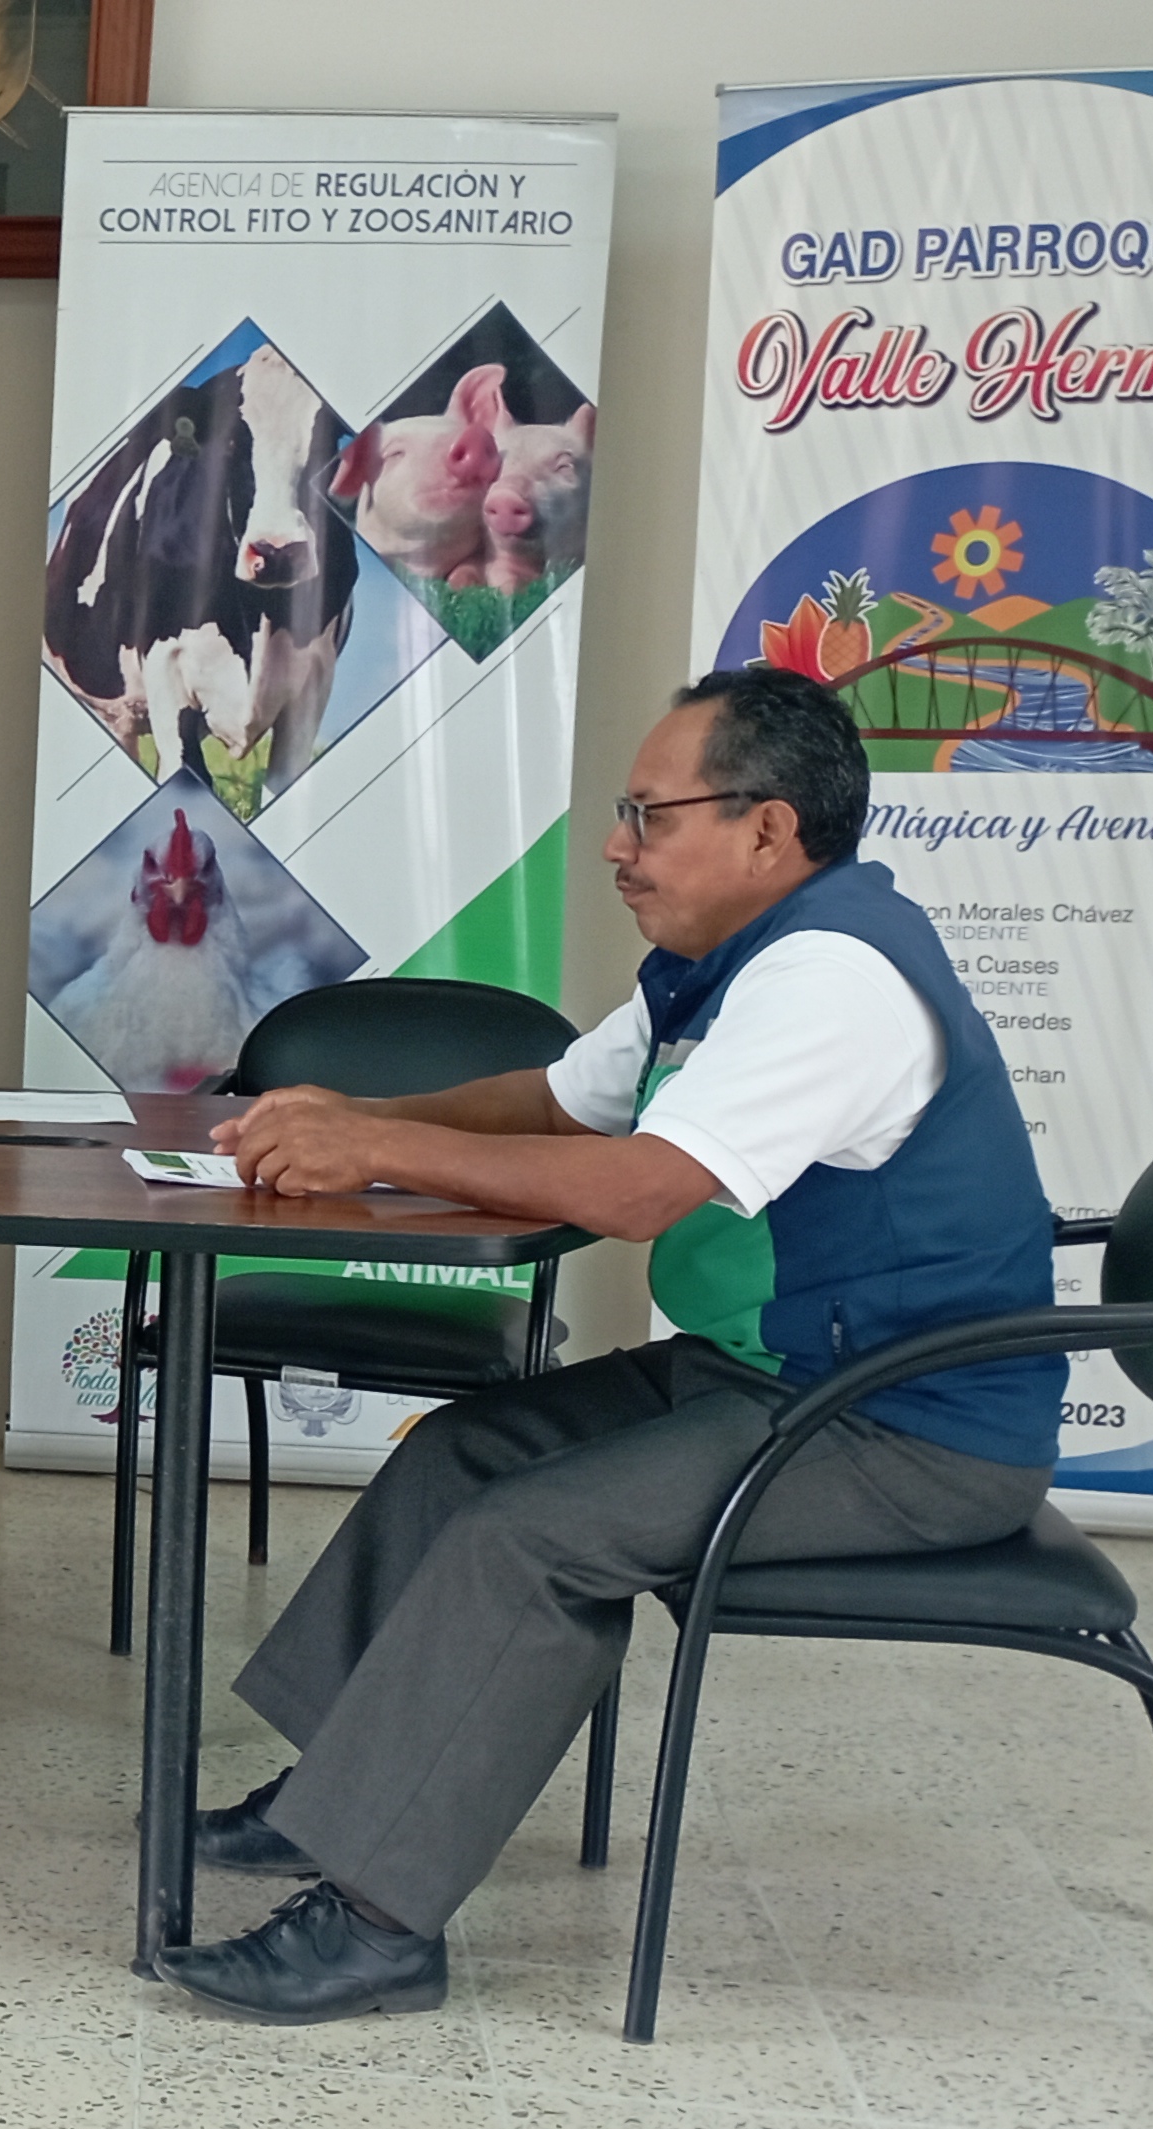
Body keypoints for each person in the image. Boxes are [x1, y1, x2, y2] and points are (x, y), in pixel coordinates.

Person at [166, 668, 1063, 2024]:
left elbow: (640, 1189)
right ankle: (338, 1797)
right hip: (776, 1374)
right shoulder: (723, 962)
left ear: (767, 830)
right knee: (466, 1452)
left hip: (905, 1425)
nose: (616, 845)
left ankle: (380, 1924)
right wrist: (357, 1112)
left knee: (534, 1536)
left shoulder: (834, 977)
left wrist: (379, 1149)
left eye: (651, 814)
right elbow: (557, 1103)